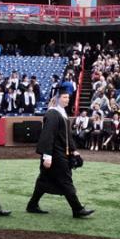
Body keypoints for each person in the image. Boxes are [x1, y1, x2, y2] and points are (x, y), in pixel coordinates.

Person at [28, 84, 93, 218]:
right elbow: (48, 135)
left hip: (61, 152)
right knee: (65, 180)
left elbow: (67, 136)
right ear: (57, 98)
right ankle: (77, 209)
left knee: (43, 181)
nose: (67, 99)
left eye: (68, 97)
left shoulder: (62, 113)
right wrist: (47, 155)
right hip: (55, 154)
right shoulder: (52, 113)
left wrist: (74, 151)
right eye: (64, 97)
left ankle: (32, 205)